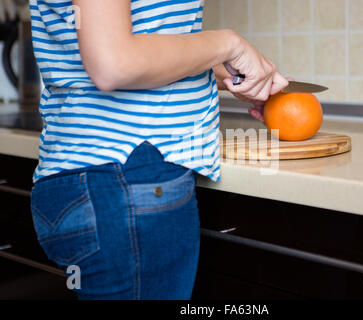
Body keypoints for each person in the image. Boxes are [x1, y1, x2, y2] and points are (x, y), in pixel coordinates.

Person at [29, 0, 288, 300]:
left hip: (88, 181)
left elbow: (132, 43)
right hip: (129, 183)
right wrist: (231, 45)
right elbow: (113, 63)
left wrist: (237, 73)